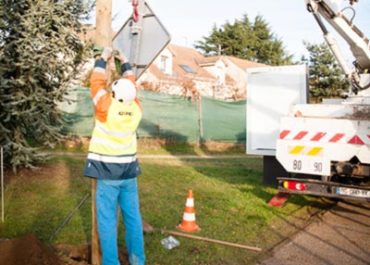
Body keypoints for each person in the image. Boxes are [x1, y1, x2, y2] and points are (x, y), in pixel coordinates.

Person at [84, 47, 145, 265]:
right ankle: (138, 261)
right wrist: (125, 61)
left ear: (114, 94)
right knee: (133, 218)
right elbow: (132, 85)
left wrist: (102, 58)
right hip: (129, 172)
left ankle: (111, 262)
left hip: (108, 173)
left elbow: (96, 82)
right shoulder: (136, 108)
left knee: (107, 222)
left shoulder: (105, 107)